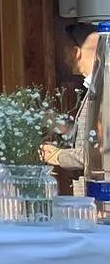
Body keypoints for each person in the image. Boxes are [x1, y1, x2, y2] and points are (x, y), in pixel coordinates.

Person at [43, 28, 106, 175]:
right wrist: (63, 127)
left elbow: (103, 153)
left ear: (76, 52)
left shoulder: (105, 89)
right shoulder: (95, 87)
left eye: (64, 52)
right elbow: (92, 135)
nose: (64, 59)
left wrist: (58, 156)